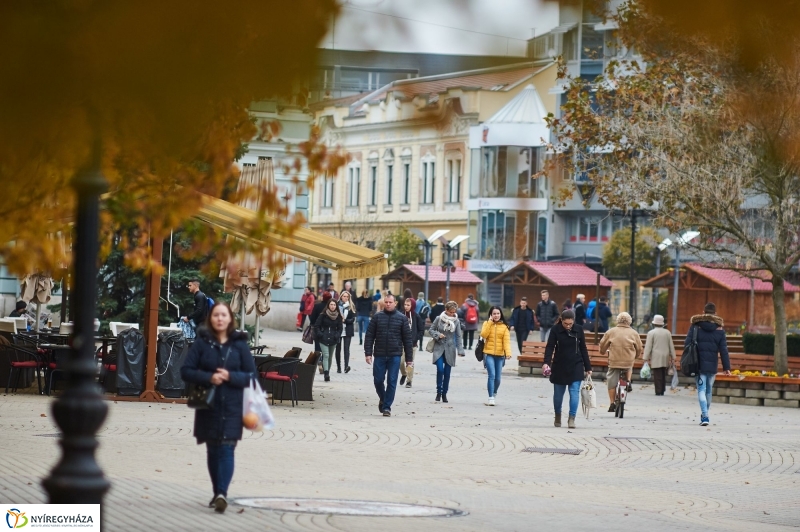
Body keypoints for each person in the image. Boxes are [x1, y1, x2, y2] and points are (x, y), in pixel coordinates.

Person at [180, 302, 256, 514]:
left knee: (227, 448)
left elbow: (252, 376)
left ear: (230, 319)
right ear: (210, 319)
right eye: (216, 315)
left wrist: (230, 376)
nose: (220, 319)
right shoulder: (202, 343)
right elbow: (186, 371)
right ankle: (217, 492)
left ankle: (222, 492)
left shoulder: (239, 345)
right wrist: (209, 377)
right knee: (213, 449)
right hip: (209, 404)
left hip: (232, 405)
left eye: (224, 315)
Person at [364, 294, 414, 417]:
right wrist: (368, 353)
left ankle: (387, 407)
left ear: (395, 303)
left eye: (390, 302)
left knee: (392, 381)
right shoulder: (377, 318)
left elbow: (407, 340)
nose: (388, 304)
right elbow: (369, 336)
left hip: (395, 355)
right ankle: (383, 397)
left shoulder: (402, 319)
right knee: (378, 380)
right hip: (380, 354)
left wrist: (409, 359)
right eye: (386, 302)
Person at [542, 310, 592, 429]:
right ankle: (558, 415)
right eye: (566, 324)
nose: (568, 326)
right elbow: (550, 347)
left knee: (574, 392)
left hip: (576, 364)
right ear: (562, 320)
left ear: (574, 321)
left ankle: (571, 418)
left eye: (570, 323)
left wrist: (588, 367)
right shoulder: (555, 329)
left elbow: (583, 348)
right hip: (560, 365)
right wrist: (546, 363)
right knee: (558, 395)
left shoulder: (579, 329)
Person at [687, 302, 731, 426]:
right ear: (715, 314)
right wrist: (726, 368)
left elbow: (687, 345)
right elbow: (724, 350)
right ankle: (705, 413)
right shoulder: (720, 329)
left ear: (703, 312)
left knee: (701, 389)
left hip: (698, 364)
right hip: (712, 366)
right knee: (709, 391)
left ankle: (705, 416)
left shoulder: (695, 326)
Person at [599, 312, 643, 412]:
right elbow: (639, 348)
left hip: (614, 361)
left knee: (611, 379)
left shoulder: (611, 332)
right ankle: (628, 381)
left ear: (618, 320)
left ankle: (612, 403)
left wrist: (602, 351)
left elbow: (602, 344)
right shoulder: (634, 333)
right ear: (629, 321)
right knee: (629, 366)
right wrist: (635, 356)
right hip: (628, 361)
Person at [428, 301, 464, 403]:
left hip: (450, 348)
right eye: (450, 312)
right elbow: (431, 330)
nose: (452, 314)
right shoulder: (439, 319)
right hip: (439, 347)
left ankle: (444, 393)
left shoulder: (456, 321)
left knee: (447, 373)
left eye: (454, 312)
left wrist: (460, 350)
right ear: (446, 310)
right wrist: (438, 335)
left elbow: (458, 336)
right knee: (440, 370)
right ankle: (438, 391)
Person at [480, 306, 512, 406]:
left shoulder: (504, 327)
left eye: (498, 313)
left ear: (501, 314)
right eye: (494, 314)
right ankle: (491, 397)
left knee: (498, 379)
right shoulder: (486, 323)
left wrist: (508, 353)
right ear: (491, 315)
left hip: (500, 356)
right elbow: (483, 335)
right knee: (492, 375)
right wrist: (489, 322)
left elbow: (506, 342)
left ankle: (494, 392)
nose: (496, 315)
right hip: (488, 354)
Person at [643, 314, 676, 395]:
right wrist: (673, 356)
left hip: (656, 356)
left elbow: (648, 346)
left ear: (654, 323)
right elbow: (671, 345)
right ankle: (662, 389)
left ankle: (658, 391)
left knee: (657, 374)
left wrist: (645, 357)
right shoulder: (667, 332)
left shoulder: (651, 333)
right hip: (665, 356)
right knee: (663, 373)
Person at [314, 298, 343, 382]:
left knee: (330, 357)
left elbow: (340, 328)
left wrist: (337, 335)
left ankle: (327, 371)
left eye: (334, 305)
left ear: (336, 306)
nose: (333, 306)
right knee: (325, 355)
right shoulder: (323, 315)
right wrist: (320, 334)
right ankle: (326, 374)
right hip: (323, 338)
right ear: (328, 305)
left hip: (333, 339)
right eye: (331, 304)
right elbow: (316, 326)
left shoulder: (338, 316)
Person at [399, 297, 424, 388]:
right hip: (401, 343)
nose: (406, 306)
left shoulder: (416, 316)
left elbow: (421, 330)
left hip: (412, 344)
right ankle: (404, 374)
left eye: (408, 305)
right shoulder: (400, 315)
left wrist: (415, 338)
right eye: (405, 305)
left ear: (412, 305)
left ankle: (409, 381)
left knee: (410, 363)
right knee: (400, 362)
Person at [335, 291, 356, 374]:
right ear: (341, 297)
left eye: (347, 296)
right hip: (338, 329)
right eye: (344, 296)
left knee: (346, 348)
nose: (346, 298)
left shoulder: (351, 306)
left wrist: (345, 320)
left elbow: (353, 319)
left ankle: (346, 366)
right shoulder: (336, 305)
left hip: (348, 330)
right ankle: (338, 367)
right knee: (338, 349)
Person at [309, 291, 332, 356]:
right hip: (327, 330)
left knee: (317, 346)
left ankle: (317, 360)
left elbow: (312, 318)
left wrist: (313, 324)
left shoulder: (317, 306)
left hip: (317, 328)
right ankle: (323, 360)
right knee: (325, 347)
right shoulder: (331, 307)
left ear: (323, 298)